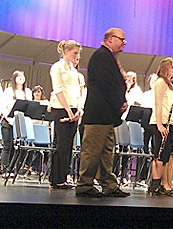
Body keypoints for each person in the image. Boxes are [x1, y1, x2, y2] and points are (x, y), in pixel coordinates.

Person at [75, 28, 130, 197]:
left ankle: (109, 184)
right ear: (111, 39)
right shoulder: (101, 56)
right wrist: (119, 103)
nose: (124, 43)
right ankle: (85, 184)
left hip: (106, 114)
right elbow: (108, 85)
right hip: (99, 113)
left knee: (106, 152)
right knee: (92, 151)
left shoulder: (107, 57)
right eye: (122, 39)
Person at [49, 40, 82, 189]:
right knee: (61, 144)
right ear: (66, 51)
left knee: (69, 145)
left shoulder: (73, 71)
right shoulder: (57, 67)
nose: (77, 56)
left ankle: (64, 176)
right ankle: (56, 178)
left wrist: (78, 109)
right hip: (61, 108)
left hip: (73, 108)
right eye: (75, 53)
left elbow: (76, 92)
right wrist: (68, 110)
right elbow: (58, 89)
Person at [148, 58, 173, 196]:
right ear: (166, 68)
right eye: (172, 67)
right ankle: (154, 185)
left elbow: (171, 106)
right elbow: (158, 104)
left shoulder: (171, 85)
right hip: (160, 123)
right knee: (159, 156)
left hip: (170, 123)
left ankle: (161, 184)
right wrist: (160, 125)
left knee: (165, 156)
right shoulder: (160, 82)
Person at [0, 70, 32, 173]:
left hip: (20, 122)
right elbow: (3, 106)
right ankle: (5, 168)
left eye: (23, 76)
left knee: (19, 147)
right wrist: (7, 118)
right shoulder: (9, 91)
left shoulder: (28, 92)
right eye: (19, 76)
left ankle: (15, 168)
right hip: (8, 121)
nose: (21, 78)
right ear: (14, 79)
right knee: (8, 145)